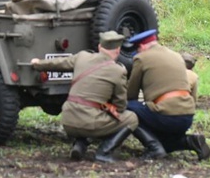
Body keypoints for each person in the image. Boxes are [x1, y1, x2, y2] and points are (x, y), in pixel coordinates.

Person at [31, 31, 138, 163]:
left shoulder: (82, 57)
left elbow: (59, 62)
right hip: (90, 122)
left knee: (90, 112)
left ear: (99, 47)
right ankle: (104, 152)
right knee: (131, 119)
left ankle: (80, 145)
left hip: (68, 120)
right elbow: (121, 106)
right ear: (118, 50)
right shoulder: (118, 71)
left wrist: (38, 64)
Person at [126, 30, 210, 161]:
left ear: (141, 46)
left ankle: (154, 149)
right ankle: (191, 141)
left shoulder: (141, 58)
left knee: (128, 108)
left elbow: (131, 95)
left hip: (166, 115)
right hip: (187, 116)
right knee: (166, 144)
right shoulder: (176, 56)